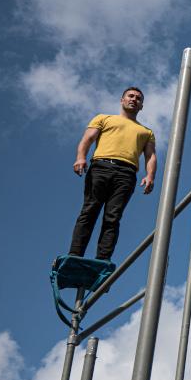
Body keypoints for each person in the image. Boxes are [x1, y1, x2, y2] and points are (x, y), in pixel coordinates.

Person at [68, 87, 157, 261]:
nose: (134, 99)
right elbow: (87, 139)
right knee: (89, 210)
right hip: (101, 166)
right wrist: (80, 157)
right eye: (130, 96)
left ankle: (102, 259)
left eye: (138, 98)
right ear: (122, 100)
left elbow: (150, 155)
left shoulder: (146, 132)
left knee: (112, 217)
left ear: (141, 106)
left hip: (127, 173)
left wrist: (150, 176)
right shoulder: (104, 118)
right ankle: (75, 254)